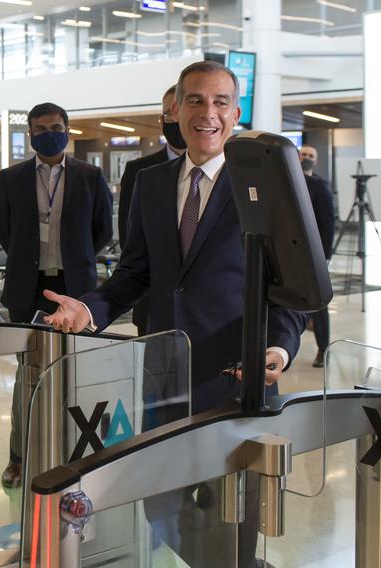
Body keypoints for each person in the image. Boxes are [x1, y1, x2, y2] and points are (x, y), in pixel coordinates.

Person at [43, 61, 305, 567]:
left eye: (220, 102)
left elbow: (291, 289)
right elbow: (135, 274)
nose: (208, 113)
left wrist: (277, 348)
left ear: (236, 111)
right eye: (196, 101)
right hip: (164, 376)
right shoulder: (152, 182)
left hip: (238, 379)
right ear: (176, 109)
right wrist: (91, 309)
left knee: (234, 517)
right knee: (161, 505)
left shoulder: (265, 186)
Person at [0, 101, 113, 488]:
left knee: (76, 373)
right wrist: (30, 257)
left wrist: (77, 259)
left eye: (56, 126)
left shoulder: (90, 177)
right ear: (29, 134)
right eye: (40, 128)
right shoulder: (10, 178)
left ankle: (72, 454)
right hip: (28, 289)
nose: (49, 133)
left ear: (68, 129)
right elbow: (2, 228)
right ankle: (18, 457)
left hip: (75, 290)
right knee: (28, 376)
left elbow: (103, 231)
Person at [118, 84, 186, 335]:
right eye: (170, 113)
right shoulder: (141, 172)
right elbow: (130, 239)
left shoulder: (236, 173)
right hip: (153, 303)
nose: (176, 118)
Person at [300, 145, 335, 367]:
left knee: (319, 304)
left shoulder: (320, 187)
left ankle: (323, 349)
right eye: (303, 155)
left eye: (311, 156)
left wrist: (324, 257)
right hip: (289, 253)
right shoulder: (285, 182)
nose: (306, 158)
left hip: (314, 256)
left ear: (317, 160)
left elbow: (328, 224)